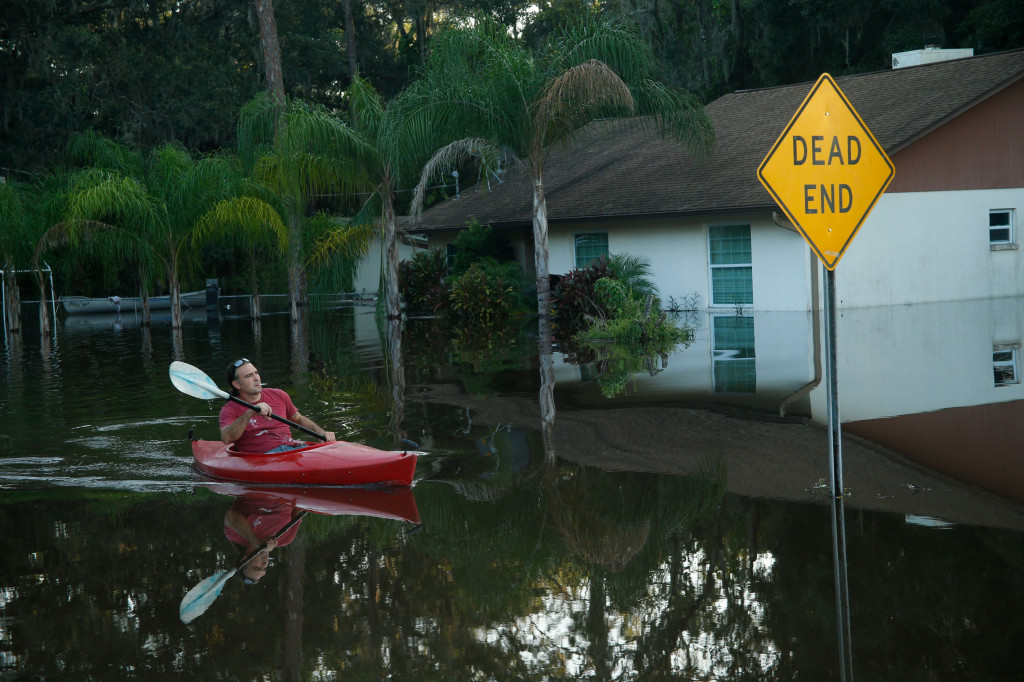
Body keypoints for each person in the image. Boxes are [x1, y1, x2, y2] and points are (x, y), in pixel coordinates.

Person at [219, 358, 336, 454]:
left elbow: (298, 418)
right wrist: (250, 413)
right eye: (249, 375)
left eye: (256, 373)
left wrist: (322, 433)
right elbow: (227, 438)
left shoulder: (279, 395)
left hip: (290, 450)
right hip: (264, 458)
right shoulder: (230, 409)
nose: (256, 378)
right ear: (236, 384)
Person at [223, 494, 304, 583]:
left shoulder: (235, 535)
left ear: (244, 560)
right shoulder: (285, 539)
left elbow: (231, 515)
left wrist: (256, 541)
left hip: (257, 487)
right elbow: (298, 509)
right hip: (286, 491)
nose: (265, 564)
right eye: (264, 568)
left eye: (257, 568)